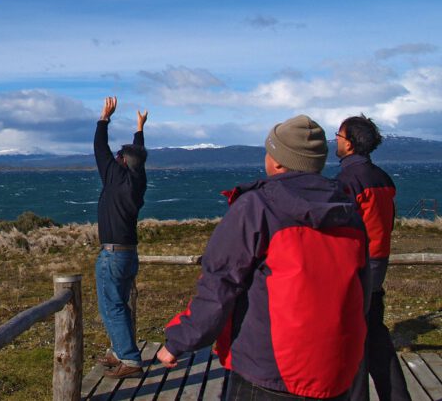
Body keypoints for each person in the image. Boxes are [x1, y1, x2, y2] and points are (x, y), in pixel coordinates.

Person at [157, 114, 370, 399]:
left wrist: (178, 340)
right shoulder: (348, 211)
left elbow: (220, 284)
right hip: (337, 368)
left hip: (270, 369)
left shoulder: (257, 206)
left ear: (278, 161)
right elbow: (361, 289)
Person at [336, 115, 411, 401]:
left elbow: (342, 227)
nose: (337, 141)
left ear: (351, 144)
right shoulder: (382, 178)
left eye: (339, 136)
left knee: (353, 342)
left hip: (357, 267)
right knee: (377, 338)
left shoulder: (347, 180)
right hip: (378, 264)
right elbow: (388, 221)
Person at [94, 96, 149, 379]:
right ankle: (120, 350)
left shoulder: (115, 176)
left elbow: (100, 149)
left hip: (113, 254)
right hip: (130, 253)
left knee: (112, 305)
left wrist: (105, 118)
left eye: (119, 157)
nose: (115, 158)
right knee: (119, 303)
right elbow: (137, 153)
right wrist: (139, 128)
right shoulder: (137, 181)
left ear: (122, 162)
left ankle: (129, 358)